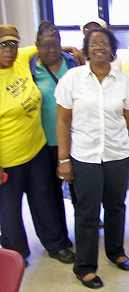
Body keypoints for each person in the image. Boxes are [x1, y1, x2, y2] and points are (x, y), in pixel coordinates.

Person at [55, 27, 129, 289]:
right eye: (93, 44)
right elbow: (62, 120)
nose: (99, 47)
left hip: (117, 155)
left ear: (112, 49)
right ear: (86, 50)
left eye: (104, 43)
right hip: (84, 156)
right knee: (87, 211)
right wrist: (63, 160)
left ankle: (116, 251)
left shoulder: (124, 82)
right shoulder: (72, 79)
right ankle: (84, 266)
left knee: (116, 206)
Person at [0, 24, 76, 266]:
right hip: (7, 161)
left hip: (37, 151)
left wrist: (70, 48)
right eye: (3, 44)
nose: (9, 50)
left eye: (13, 43)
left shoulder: (21, 57)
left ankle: (56, 245)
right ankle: (16, 255)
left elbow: (46, 47)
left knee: (44, 202)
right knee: (10, 213)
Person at [30, 21, 79, 244]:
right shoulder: (30, 70)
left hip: (75, 140)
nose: (51, 50)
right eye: (46, 46)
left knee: (80, 192)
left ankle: (85, 232)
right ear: (37, 46)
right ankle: (60, 238)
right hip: (45, 144)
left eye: (56, 45)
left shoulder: (72, 65)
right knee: (50, 195)